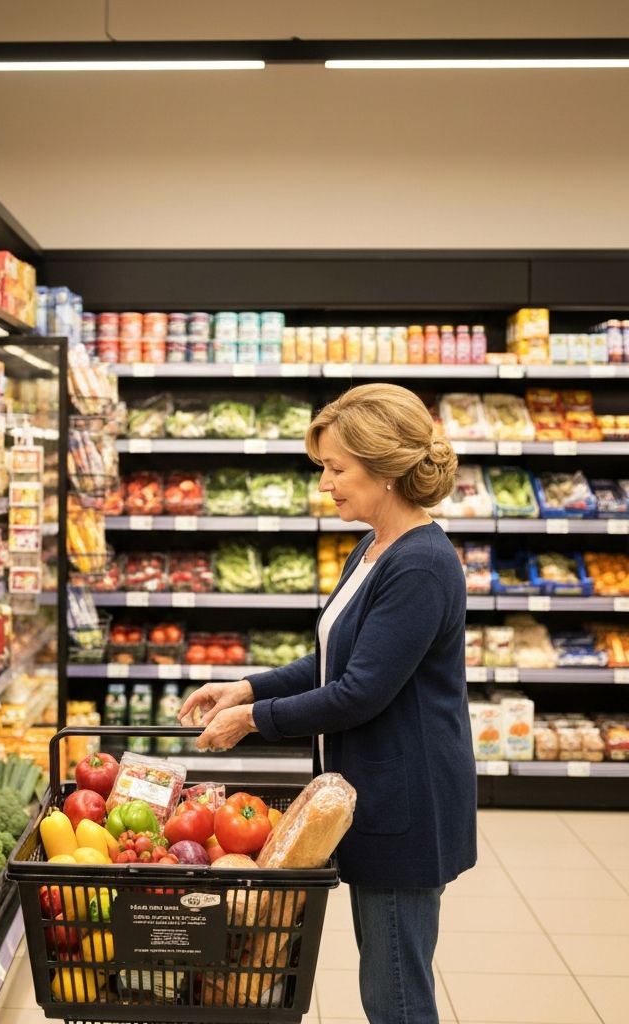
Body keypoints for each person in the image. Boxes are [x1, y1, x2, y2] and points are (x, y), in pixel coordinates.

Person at [180, 382, 477, 1024]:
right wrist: (248, 687)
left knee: (395, 995)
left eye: (336, 469)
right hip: (374, 789)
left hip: (406, 800)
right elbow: (334, 661)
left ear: (385, 468)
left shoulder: (421, 565)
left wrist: (253, 720)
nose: (325, 485)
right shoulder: (373, 547)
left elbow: (359, 693)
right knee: (386, 980)